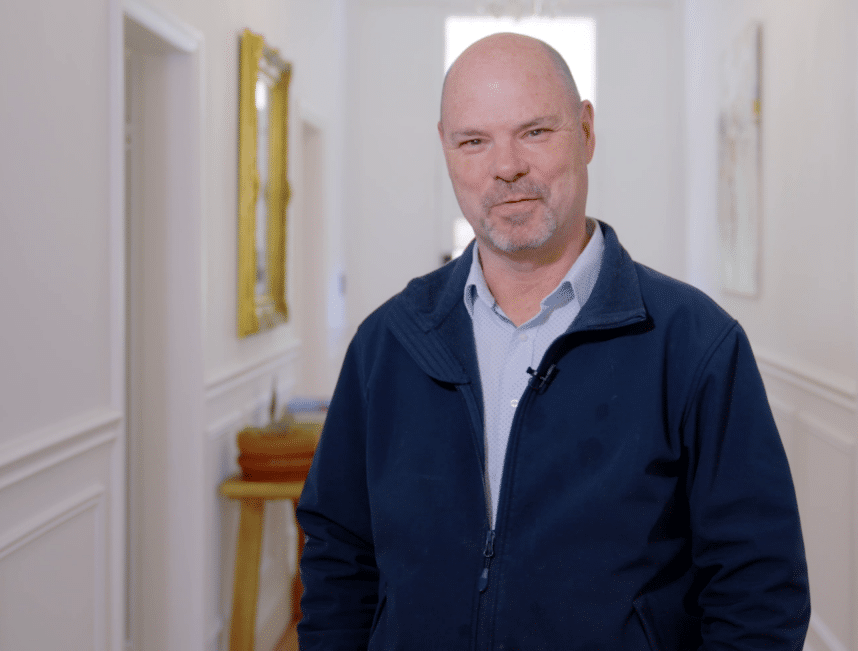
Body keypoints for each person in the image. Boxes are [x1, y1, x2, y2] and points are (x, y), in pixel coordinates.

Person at [296, 33, 810, 650]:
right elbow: (339, 558)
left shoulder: (695, 345)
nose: (506, 165)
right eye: (474, 141)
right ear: (446, 150)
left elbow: (758, 587)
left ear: (587, 132)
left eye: (535, 132)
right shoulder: (388, 344)